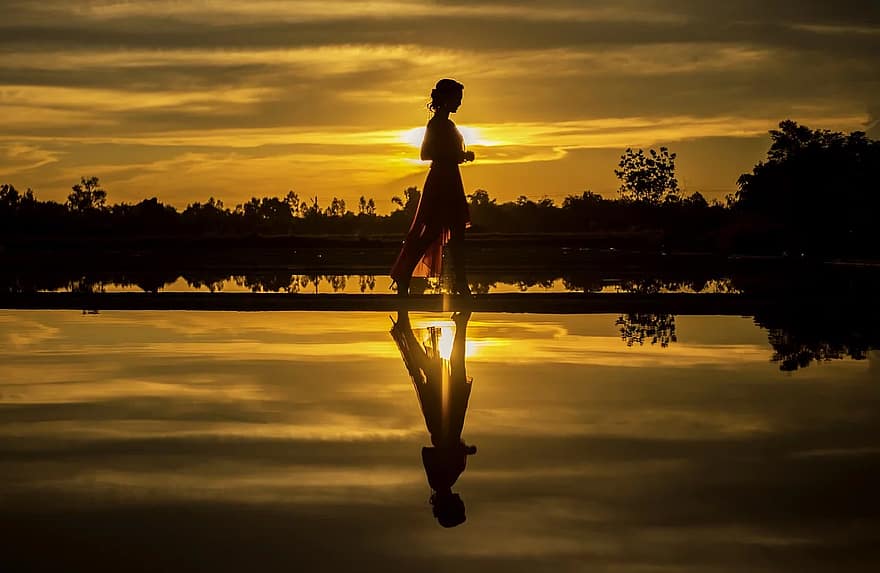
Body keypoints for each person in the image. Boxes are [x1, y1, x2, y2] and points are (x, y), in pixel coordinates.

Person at [390, 310, 476, 527]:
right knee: (447, 371)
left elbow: (428, 453)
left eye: (460, 505)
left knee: (441, 371)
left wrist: (456, 449)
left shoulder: (439, 481)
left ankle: (408, 328)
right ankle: (457, 324)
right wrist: (461, 449)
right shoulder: (444, 481)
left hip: (442, 424)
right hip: (448, 424)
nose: (461, 500)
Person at [390, 79, 474, 296]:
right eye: (457, 99)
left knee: (457, 235)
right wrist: (459, 156)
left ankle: (461, 284)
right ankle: (403, 274)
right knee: (431, 233)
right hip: (440, 180)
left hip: (450, 178)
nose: (459, 103)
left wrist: (460, 157)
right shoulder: (436, 125)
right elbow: (425, 153)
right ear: (446, 99)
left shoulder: (448, 125)